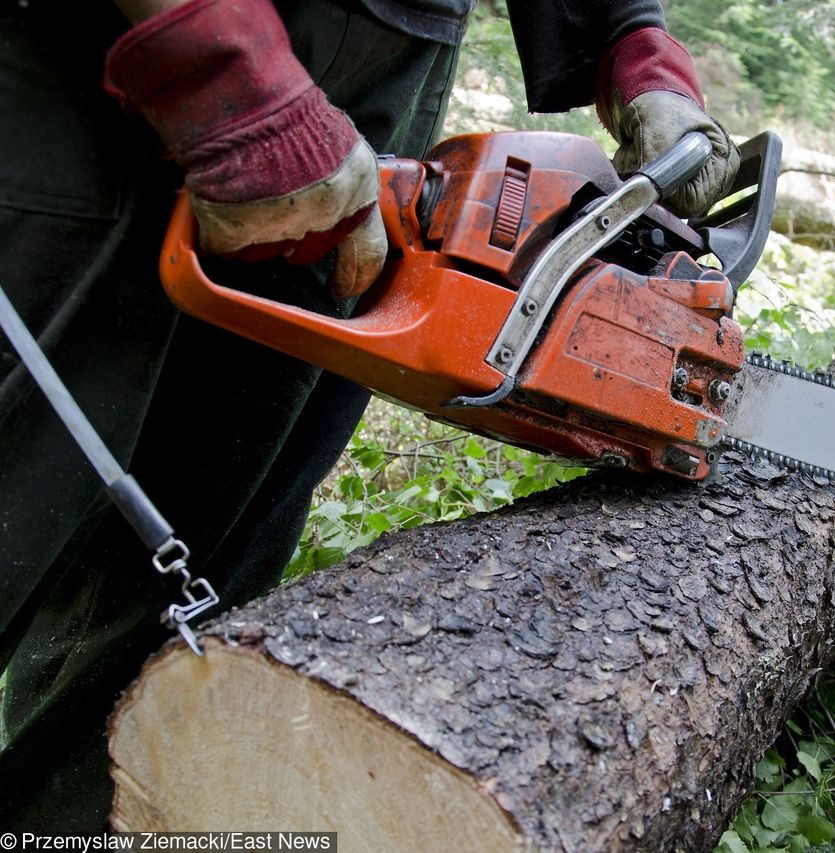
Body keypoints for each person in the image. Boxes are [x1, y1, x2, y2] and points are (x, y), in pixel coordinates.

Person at [0, 0, 738, 830]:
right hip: (107, 51)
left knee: (188, 587)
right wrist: (231, 72)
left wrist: (629, 41)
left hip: (382, 71)